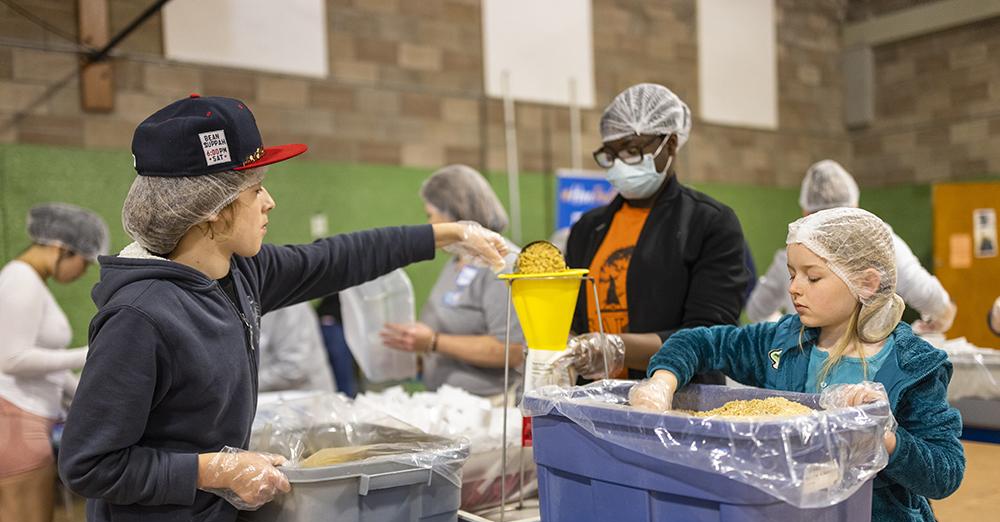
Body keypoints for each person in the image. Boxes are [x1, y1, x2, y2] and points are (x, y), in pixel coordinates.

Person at [56, 95, 507, 522]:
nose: (270, 200)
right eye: (254, 189)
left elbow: (334, 258)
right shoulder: (142, 317)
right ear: (211, 210)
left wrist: (444, 236)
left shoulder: (235, 273)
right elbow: (89, 464)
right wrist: (214, 468)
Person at [631, 207, 965, 522]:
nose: (794, 288)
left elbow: (946, 469)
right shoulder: (783, 345)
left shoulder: (912, 366)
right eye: (791, 273)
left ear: (866, 282)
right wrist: (661, 381)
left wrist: (886, 439)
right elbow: (702, 341)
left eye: (812, 276)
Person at [558, 83, 749, 381]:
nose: (620, 164)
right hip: (595, 400)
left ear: (670, 145)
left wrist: (616, 348)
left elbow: (711, 336)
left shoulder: (709, 223)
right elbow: (573, 317)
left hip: (676, 399)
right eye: (611, 154)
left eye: (632, 151)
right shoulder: (588, 228)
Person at [0, 203, 108, 522]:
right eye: (83, 261)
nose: (82, 270)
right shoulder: (21, 280)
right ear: (63, 248)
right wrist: (89, 352)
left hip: (17, 418)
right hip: (16, 425)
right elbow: (12, 358)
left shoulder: (22, 280)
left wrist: (80, 390)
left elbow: (35, 365)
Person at [746, 159, 956, 334]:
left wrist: (786, 331)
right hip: (870, 368)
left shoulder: (791, 256)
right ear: (854, 205)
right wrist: (943, 314)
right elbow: (926, 293)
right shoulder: (881, 242)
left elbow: (757, 310)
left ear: (805, 211)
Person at [381, 165, 525, 397]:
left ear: (453, 213)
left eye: (431, 215)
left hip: (491, 407)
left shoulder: (501, 263)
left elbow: (514, 350)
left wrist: (433, 342)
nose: (429, 225)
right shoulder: (458, 261)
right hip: (453, 404)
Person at [258, 302, 335, 394]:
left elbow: (294, 368)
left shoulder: (290, 307)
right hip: (270, 398)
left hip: (304, 397)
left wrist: (246, 385)